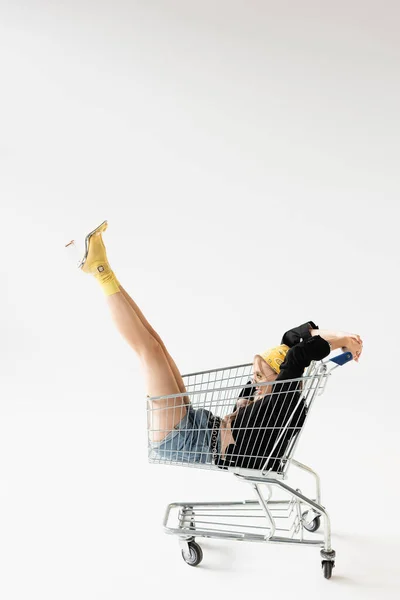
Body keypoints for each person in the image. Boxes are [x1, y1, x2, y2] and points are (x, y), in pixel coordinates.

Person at [69, 221, 363, 470]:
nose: (254, 382)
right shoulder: (272, 395)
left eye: (263, 377)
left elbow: (297, 355)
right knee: (157, 344)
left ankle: (99, 270)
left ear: (284, 379)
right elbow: (290, 342)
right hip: (198, 427)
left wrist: (342, 342)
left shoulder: (281, 400)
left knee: (148, 351)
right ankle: (100, 267)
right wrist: (342, 336)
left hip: (186, 439)